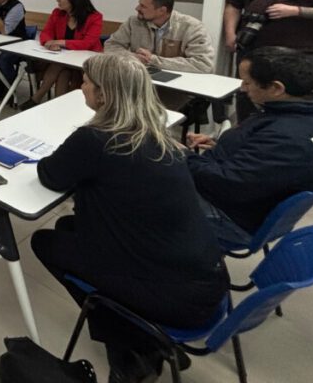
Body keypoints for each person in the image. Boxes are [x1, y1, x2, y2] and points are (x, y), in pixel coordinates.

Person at [30, 55, 228, 382]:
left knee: (44, 241)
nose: (81, 87)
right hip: (207, 281)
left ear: (104, 94)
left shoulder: (95, 139)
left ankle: (134, 343)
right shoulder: (157, 134)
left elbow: (49, 174)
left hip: (173, 298)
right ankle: (140, 334)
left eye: (86, 82)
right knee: (67, 226)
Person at [187, 46, 313, 246]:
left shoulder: (286, 138)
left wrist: (183, 156)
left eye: (248, 82)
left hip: (231, 218)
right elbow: (264, 163)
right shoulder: (306, 115)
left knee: (143, 188)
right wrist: (222, 146)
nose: (243, 88)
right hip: (250, 201)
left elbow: (226, 183)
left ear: (276, 88)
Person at [21, 0, 103, 110]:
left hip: (85, 63)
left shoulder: (95, 17)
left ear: (74, 0)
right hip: (64, 58)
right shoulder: (58, 13)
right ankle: (59, 107)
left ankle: (37, 98)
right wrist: (49, 44)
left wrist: (60, 42)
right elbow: (46, 33)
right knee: (63, 72)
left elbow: (88, 43)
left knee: (59, 65)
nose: (58, 0)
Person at [105, 0, 214, 73]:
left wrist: (152, 60)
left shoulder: (192, 27)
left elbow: (203, 64)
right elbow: (111, 45)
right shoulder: (133, 22)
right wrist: (132, 57)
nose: (137, 8)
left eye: (143, 6)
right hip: (139, 78)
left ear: (162, 10)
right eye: (139, 3)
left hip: (178, 86)